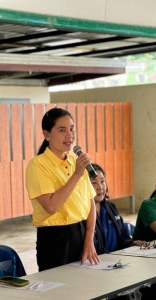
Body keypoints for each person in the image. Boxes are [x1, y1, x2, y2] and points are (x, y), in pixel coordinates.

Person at [25, 107, 99, 271]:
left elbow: (90, 202)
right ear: (46, 134)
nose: (69, 135)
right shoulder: (38, 165)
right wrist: (77, 174)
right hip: (55, 239)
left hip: (82, 233)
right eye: (62, 130)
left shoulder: (75, 161)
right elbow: (51, 206)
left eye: (71, 129)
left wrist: (89, 239)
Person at [89, 163, 147, 254]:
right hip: (96, 263)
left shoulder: (110, 207)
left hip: (115, 260)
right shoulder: (80, 214)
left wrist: (130, 243)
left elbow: (122, 234)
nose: (100, 187)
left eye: (102, 181)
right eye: (93, 183)